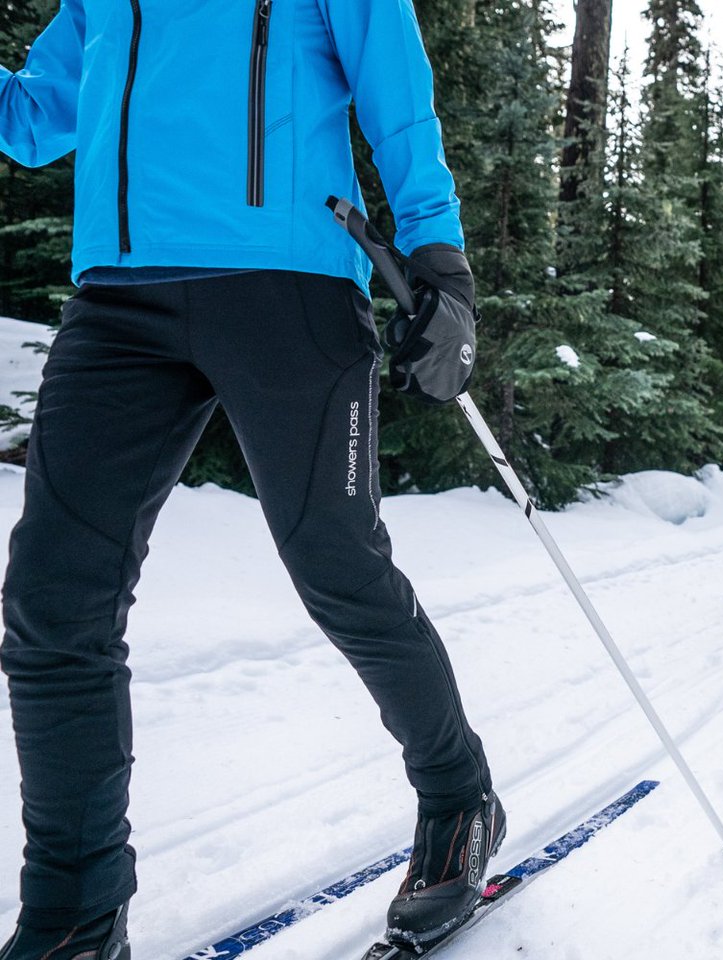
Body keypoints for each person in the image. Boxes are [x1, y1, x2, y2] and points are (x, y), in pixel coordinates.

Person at [0, 3, 503, 957]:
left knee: (338, 569)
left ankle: (458, 798)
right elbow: (34, 119)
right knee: (52, 602)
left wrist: (440, 256)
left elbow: (397, 93)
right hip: (119, 299)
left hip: (289, 284)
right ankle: (75, 912)